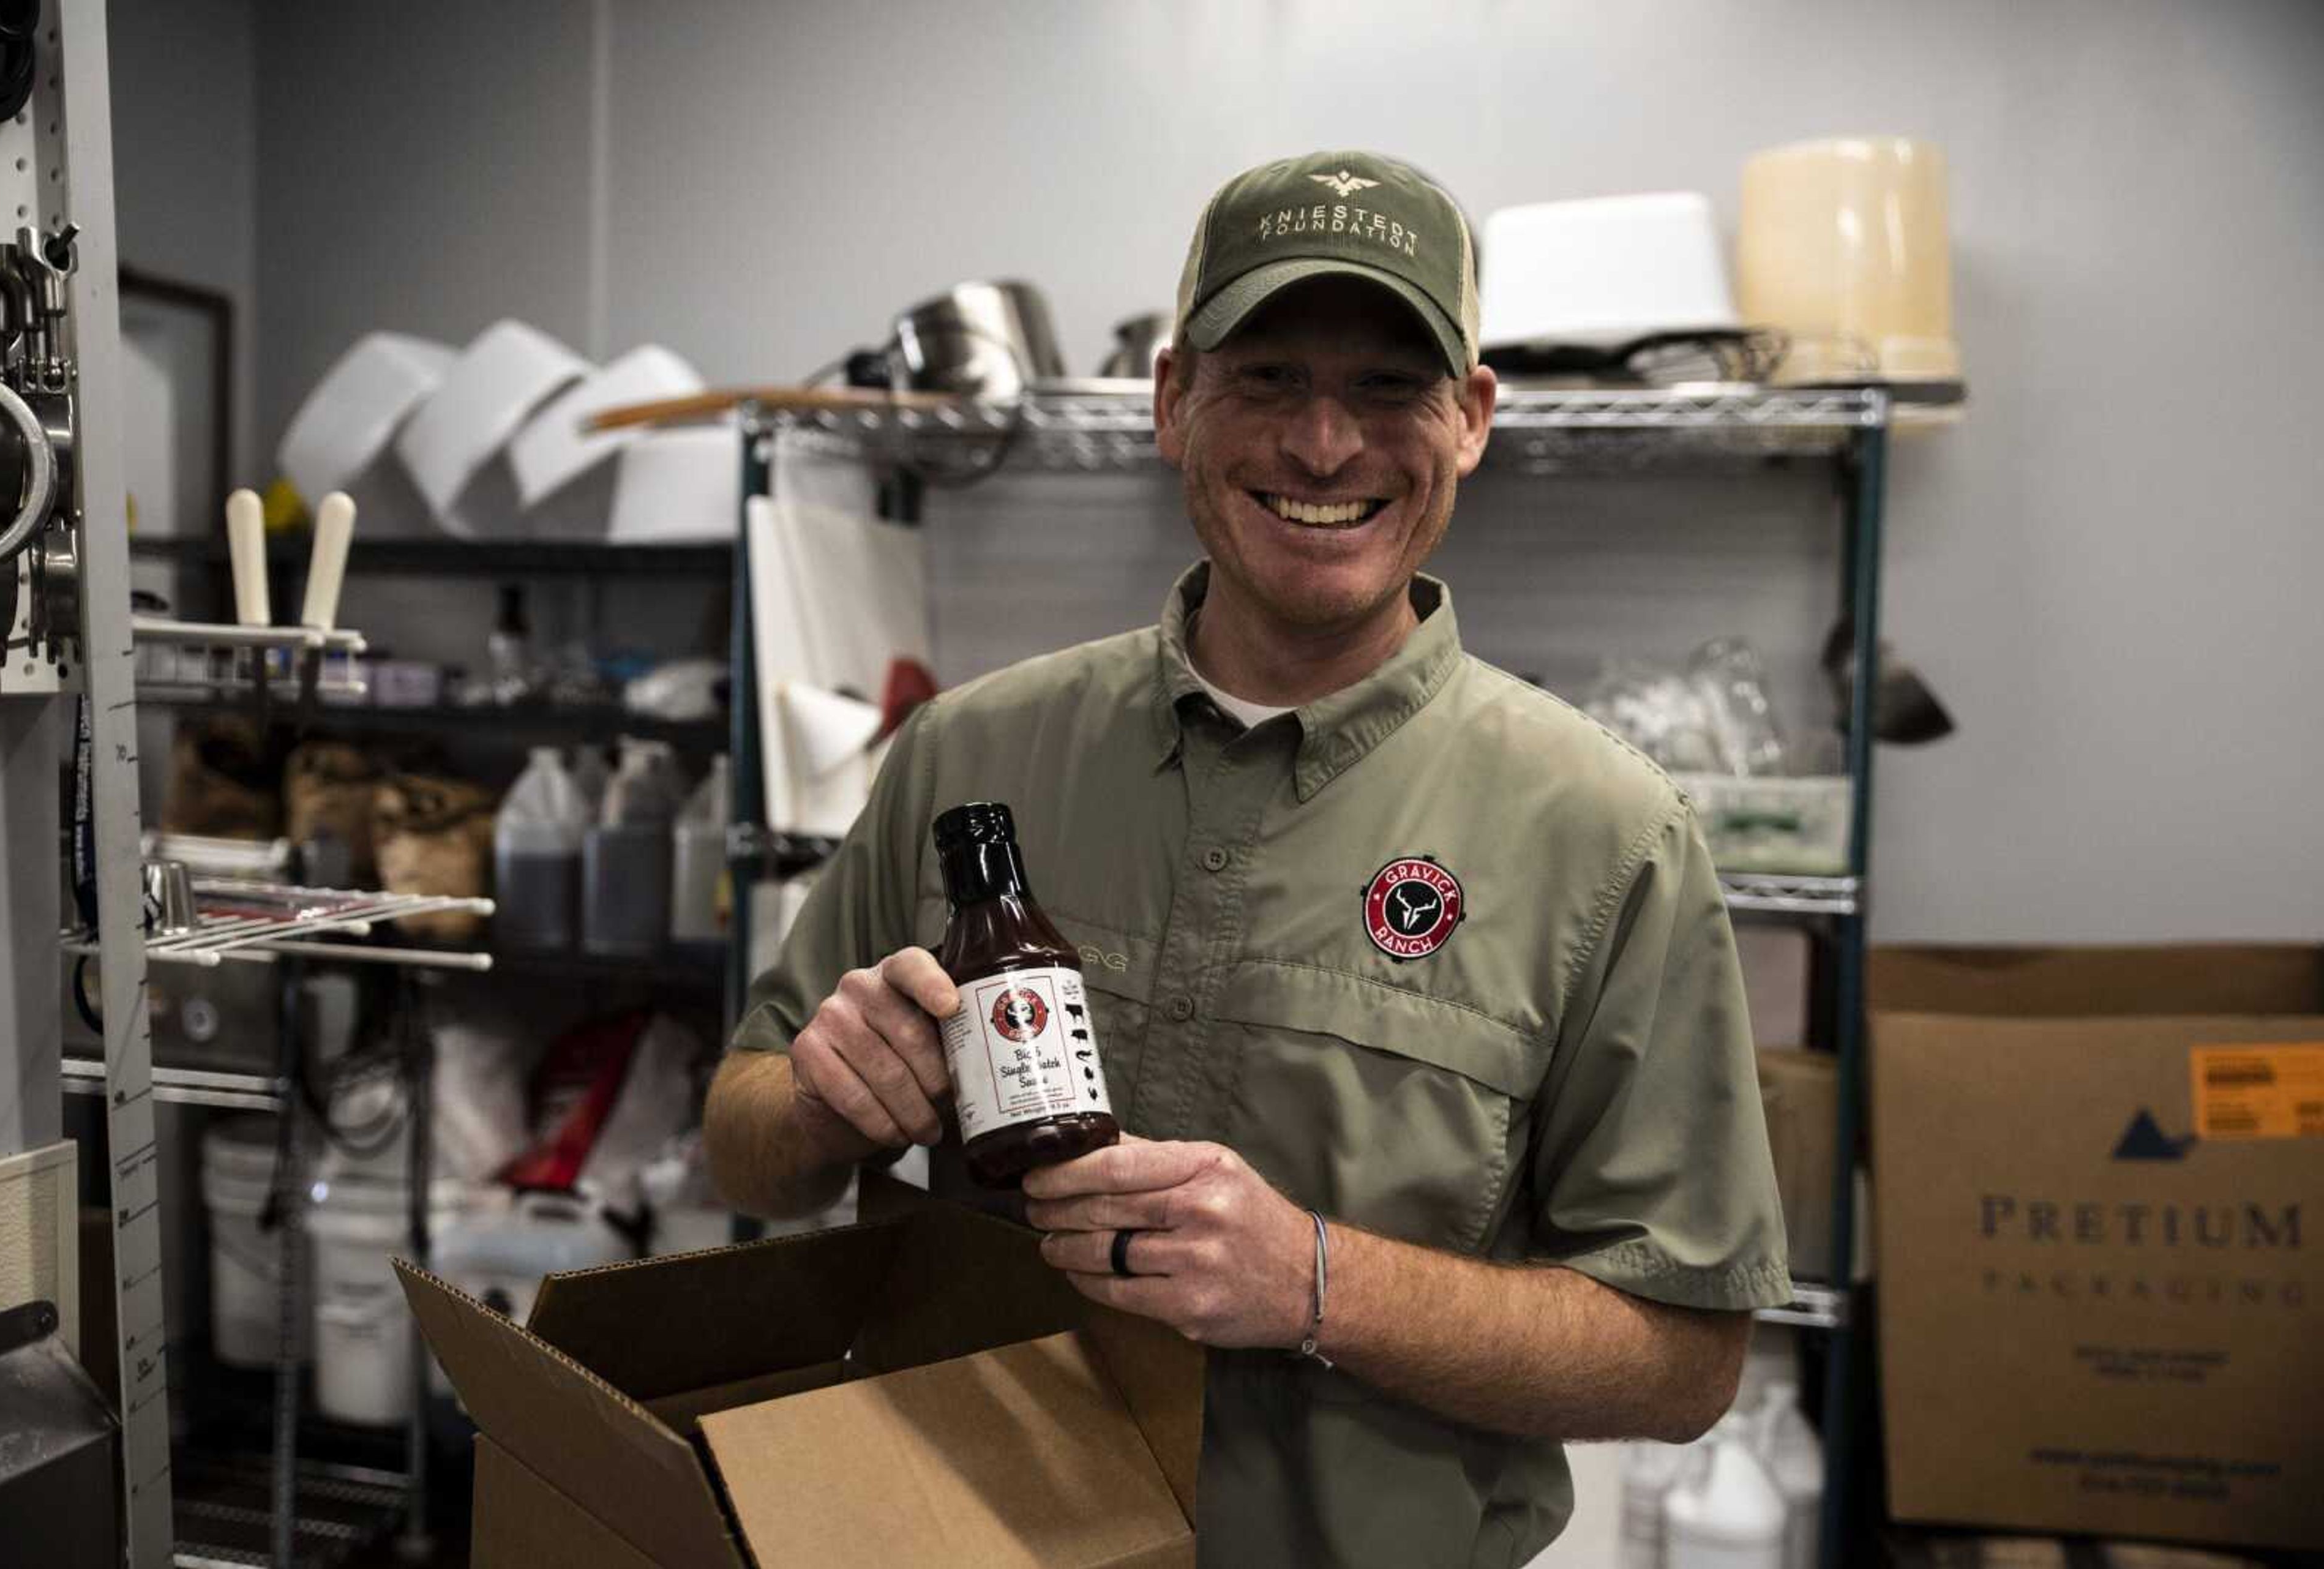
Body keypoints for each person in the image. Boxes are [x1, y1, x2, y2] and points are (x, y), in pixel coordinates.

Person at [705, 149, 1790, 1567]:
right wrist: (823, 1108)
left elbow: (1684, 1356)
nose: (1324, 446)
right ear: (1173, 401)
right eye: (1267, 377)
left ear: (1470, 421)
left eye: (1389, 388)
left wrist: (1316, 1283)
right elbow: (744, 1134)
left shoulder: (1605, 838)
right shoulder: (968, 756)